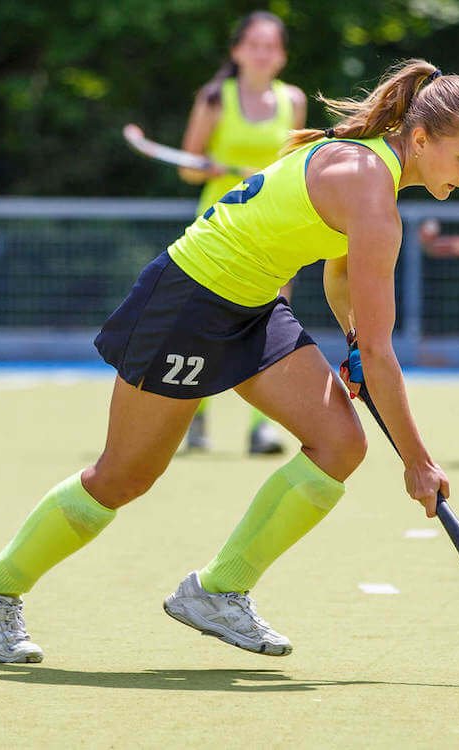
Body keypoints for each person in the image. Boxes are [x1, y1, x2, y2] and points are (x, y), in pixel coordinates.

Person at [0, 59, 459, 663]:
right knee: (125, 475)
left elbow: (343, 281)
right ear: (421, 138)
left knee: (340, 444)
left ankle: (218, 591)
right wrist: (419, 462)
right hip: (187, 298)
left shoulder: (374, 170)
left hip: (253, 304)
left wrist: (349, 343)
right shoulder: (370, 189)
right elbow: (380, 348)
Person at [178, 10, 307, 455]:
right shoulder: (215, 98)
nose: (262, 53)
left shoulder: (294, 101)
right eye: (253, 44)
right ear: (237, 52)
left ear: (282, 56)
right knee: (201, 323)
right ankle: (192, 420)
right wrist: (210, 167)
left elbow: (295, 165)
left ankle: (262, 428)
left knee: (270, 323)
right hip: (217, 230)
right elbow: (187, 167)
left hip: (273, 227)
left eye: (271, 46)